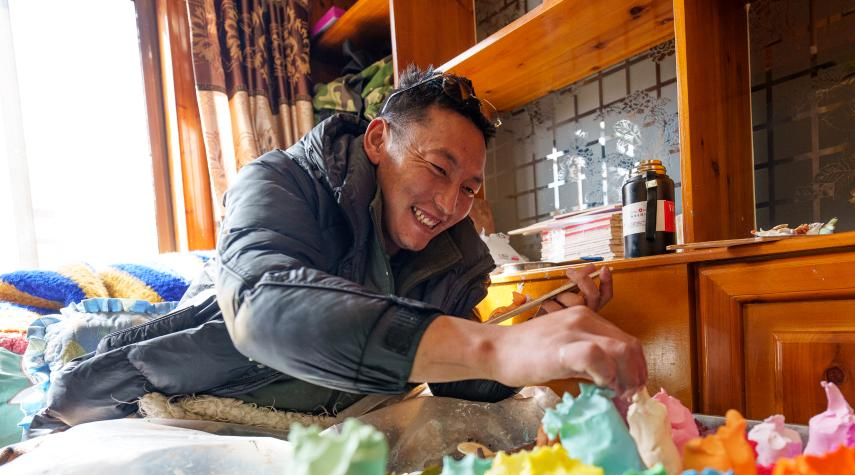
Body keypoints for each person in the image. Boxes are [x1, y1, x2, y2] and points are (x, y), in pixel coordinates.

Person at [37, 66, 646, 431]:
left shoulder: (455, 258)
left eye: (469, 187)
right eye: (438, 168)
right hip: (159, 397)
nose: (450, 203)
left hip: (315, 431)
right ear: (378, 140)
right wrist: (494, 346)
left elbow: (460, 380)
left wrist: (535, 331)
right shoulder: (278, 182)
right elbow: (264, 307)